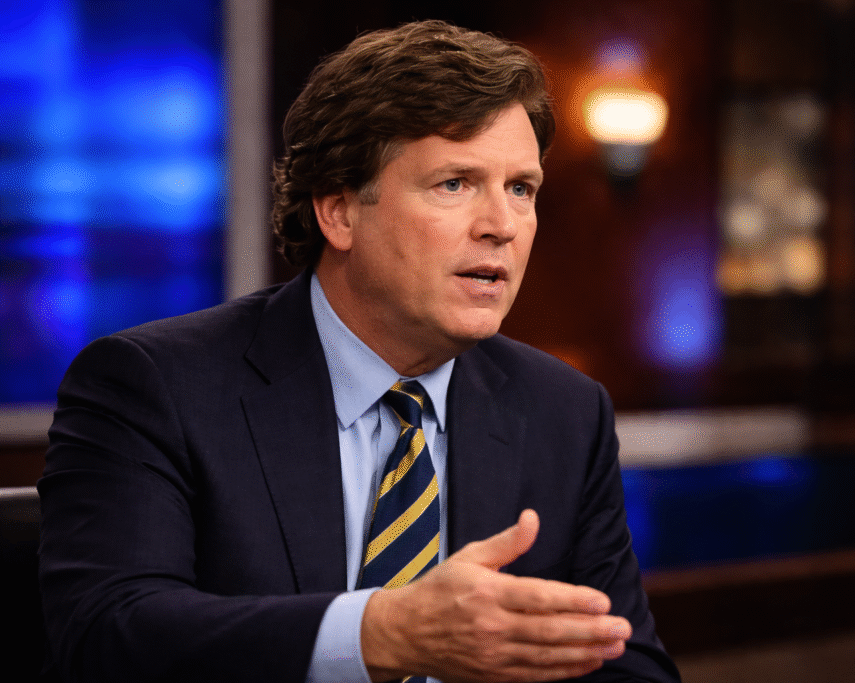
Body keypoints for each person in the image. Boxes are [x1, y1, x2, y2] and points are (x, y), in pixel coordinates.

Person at [38, 20, 681, 683]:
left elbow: (627, 666)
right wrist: (381, 631)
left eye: (521, 188)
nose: (502, 225)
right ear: (339, 210)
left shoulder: (565, 412)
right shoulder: (155, 386)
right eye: (455, 183)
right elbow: (107, 636)